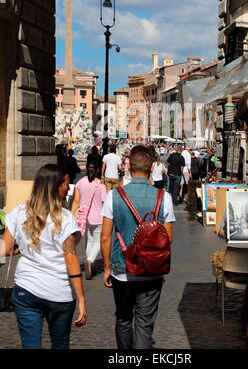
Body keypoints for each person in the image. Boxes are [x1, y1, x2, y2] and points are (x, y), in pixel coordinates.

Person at [0, 164, 87, 349]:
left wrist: (20, 249)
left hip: (26, 289)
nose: (68, 187)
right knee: (60, 344)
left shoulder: (19, 211)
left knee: (30, 346)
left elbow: (5, 249)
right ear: (55, 186)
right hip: (59, 293)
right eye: (66, 183)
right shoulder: (65, 218)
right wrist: (81, 298)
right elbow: (70, 258)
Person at [101, 145, 175, 349]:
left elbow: (106, 237)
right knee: (144, 324)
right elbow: (168, 238)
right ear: (152, 168)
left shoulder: (113, 196)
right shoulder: (164, 197)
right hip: (151, 272)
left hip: (122, 270)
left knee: (124, 319)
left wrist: (107, 267)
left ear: (128, 168)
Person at [71, 162, 107, 279]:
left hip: (85, 217)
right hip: (98, 217)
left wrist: (71, 215)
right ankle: (90, 261)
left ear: (86, 170)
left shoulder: (80, 183)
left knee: (89, 240)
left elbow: (76, 201)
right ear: (97, 171)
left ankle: (89, 264)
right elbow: (104, 202)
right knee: (97, 241)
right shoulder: (100, 185)